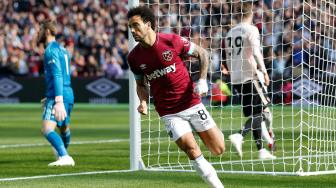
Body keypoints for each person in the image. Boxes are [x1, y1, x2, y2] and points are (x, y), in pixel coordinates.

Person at [127, 6, 224, 188]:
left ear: (148, 25)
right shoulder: (134, 58)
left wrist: (202, 81)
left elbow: (202, 53)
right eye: (130, 27)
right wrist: (142, 102)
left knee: (218, 149)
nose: (132, 30)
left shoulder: (171, 40)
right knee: (191, 149)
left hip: (192, 103)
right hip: (168, 112)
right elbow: (141, 84)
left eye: (136, 25)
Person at [224, 2, 276, 160]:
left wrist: (232, 75)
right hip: (250, 76)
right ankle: (239, 135)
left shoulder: (230, 33)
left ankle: (261, 151)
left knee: (255, 114)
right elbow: (256, 53)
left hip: (236, 78)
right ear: (251, 13)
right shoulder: (251, 29)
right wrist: (265, 72)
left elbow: (227, 57)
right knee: (263, 112)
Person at [37, 19, 75, 166]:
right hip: (68, 92)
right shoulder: (63, 50)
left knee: (47, 129)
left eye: (40, 30)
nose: (38, 34)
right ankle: (63, 153)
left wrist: (57, 100)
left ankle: (64, 156)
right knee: (64, 127)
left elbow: (57, 75)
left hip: (59, 95)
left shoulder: (50, 50)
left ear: (47, 31)